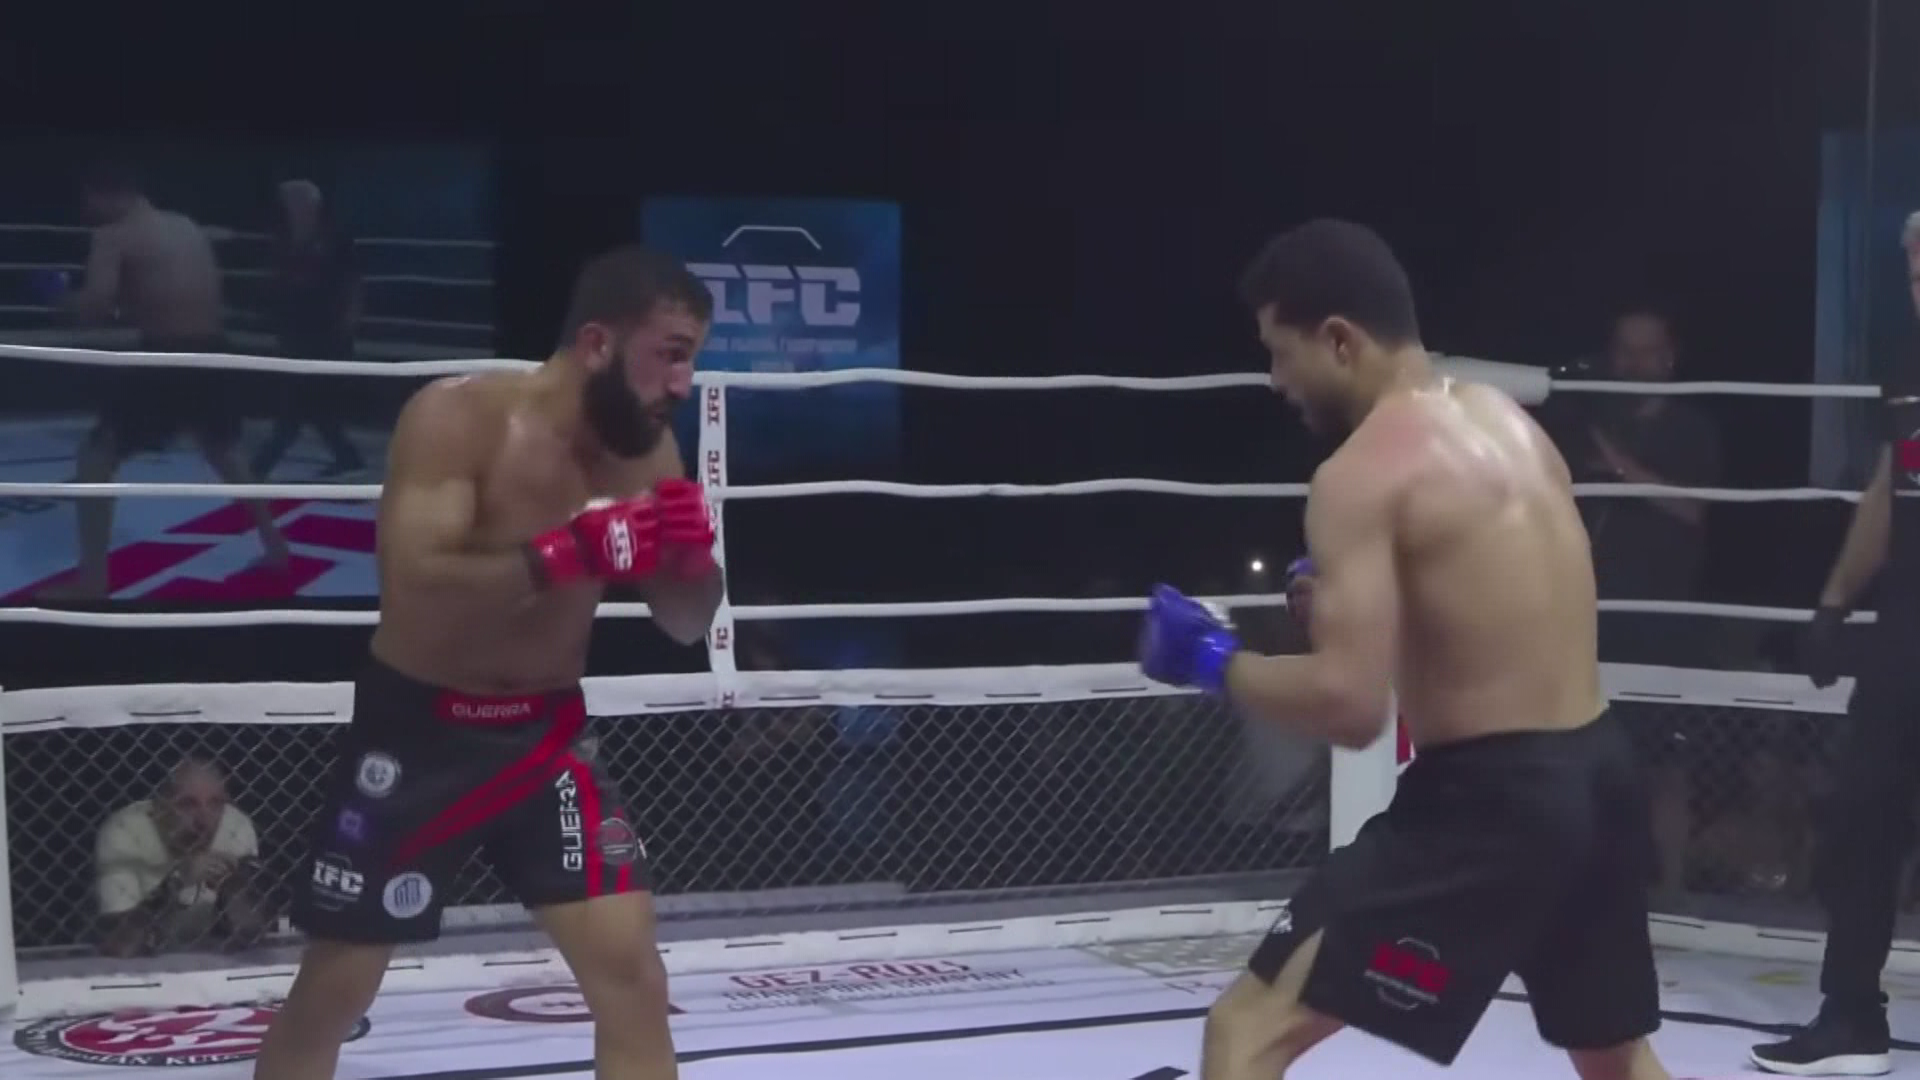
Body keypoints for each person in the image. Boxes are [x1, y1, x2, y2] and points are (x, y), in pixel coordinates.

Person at [1137, 219, 1672, 1079]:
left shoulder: (1359, 475)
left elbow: (1350, 709)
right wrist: (1363, 607)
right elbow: (1502, 606)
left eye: (1280, 352)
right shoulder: (1506, 421)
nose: (1276, 380)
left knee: (1246, 1030)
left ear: (1339, 339)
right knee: (1613, 1055)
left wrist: (1210, 661)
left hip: (1490, 801)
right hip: (1598, 770)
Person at [251, 245, 725, 1080]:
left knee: (633, 981)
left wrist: (689, 561)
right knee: (334, 991)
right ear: (598, 343)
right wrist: (564, 552)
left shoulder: (646, 454)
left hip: (547, 738)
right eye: (673, 354)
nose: (683, 385)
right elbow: (417, 588)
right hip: (420, 733)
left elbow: (686, 624)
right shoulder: (457, 419)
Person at [1748, 217, 1920, 1077]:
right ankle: (1852, 1017)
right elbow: (1894, 485)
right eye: (1916, 268)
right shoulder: (1910, 367)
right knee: (1861, 815)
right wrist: (1833, 601)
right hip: (1908, 622)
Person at [37, 161, 289, 600]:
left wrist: (60, 299)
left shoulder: (112, 236)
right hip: (213, 349)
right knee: (225, 451)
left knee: (96, 456)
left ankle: (93, 581)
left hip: (166, 356)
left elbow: (96, 308)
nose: (85, 211)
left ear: (102, 193)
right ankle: (276, 545)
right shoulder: (184, 225)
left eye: (87, 200)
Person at [250, 179, 368, 479]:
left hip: (327, 333)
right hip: (295, 332)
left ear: (310, 204)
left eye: (293, 201)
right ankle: (348, 458)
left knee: (298, 405)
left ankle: (260, 466)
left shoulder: (335, 238)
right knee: (314, 408)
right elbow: (276, 282)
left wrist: (347, 326)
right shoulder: (284, 239)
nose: (288, 207)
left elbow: (353, 284)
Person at [95, 757, 270, 957]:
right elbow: (121, 946)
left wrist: (236, 889)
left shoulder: (235, 825)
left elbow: (251, 938)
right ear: (159, 807)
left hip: (206, 958)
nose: (203, 821)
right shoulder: (125, 830)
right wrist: (176, 881)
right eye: (187, 804)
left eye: (215, 804)